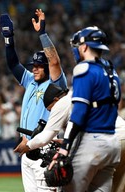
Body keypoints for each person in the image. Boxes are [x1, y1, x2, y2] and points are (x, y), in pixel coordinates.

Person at [0, 9, 67, 192]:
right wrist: (8, 39)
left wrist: (42, 33)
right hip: (27, 149)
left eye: (39, 66)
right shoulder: (30, 80)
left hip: (46, 150)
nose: (35, 69)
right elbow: (13, 64)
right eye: (34, 66)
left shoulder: (56, 84)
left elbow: (54, 62)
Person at [49, 26, 122, 192]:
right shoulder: (112, 71)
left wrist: (64, 148)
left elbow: (79, 114)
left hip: (91, 144)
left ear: (84, 46)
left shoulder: (84, 69)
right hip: (112, 144)